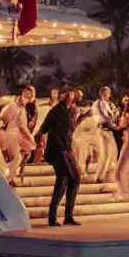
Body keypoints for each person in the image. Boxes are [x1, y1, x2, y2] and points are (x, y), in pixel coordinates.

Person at [41, 87, 81, 227]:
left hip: (67, 149)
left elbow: (71, 129)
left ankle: (67, 216)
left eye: (71, 93)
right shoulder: (56, 110)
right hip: (57, 150)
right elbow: (44, 128)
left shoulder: (72, 111)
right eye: (66, 93)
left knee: (75, 178)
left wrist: (80, 118)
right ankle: (52, 217)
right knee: (64, 178)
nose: (69, 95)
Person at [0, 89, 33, 185]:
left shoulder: (22, 109)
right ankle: (7, 177)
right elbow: (20, 125)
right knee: (17, 156)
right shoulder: (13, 106)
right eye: (26, 96)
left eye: (28, 98)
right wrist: (30, 138)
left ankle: (10, 176)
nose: (26, 99)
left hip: (14, 134)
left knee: (20, 156)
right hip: (8, 134)